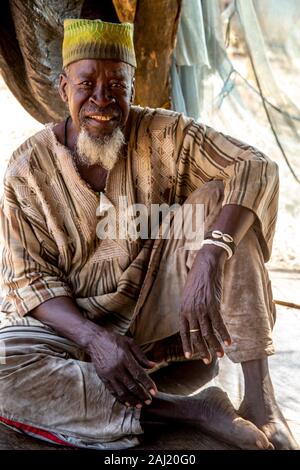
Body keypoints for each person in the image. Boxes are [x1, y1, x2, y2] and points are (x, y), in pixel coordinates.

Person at [0, 18, 297, 450]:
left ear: (133, 88)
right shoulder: (26, 170)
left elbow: (255, 167)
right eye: (87, 85)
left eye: (116, 85)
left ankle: (260, 400)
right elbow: (29, 281)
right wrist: (96, 339)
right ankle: (189, 409)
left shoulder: (165, 134)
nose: (102, 100)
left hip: (156, 316)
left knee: (225, 204)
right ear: (63, 87)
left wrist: (211, 257)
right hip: (71, 329)